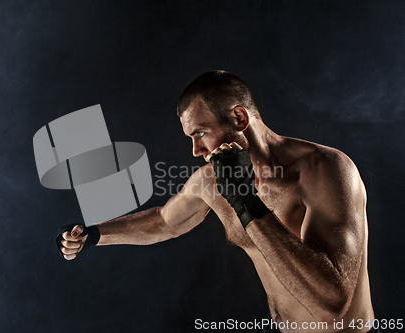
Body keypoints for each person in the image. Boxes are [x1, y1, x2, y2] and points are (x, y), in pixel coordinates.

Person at [58, 70, 377, 332]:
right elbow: (164, 221)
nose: (196, 151)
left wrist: (245, 201)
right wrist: (94, 235)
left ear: (239, 118)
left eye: (200, 133)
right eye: (190, 138)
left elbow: (331, 306)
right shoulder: (213, 180)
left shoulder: (325, 170)